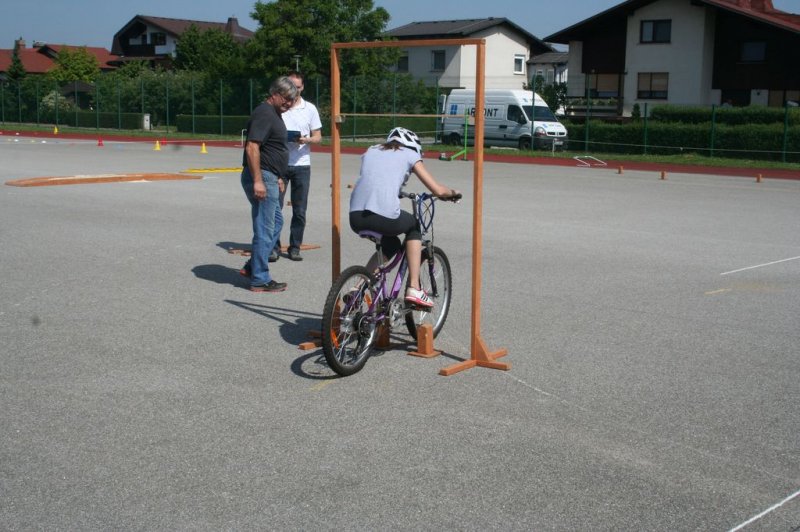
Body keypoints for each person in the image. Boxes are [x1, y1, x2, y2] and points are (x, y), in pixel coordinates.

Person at [349, 127, 460, 308]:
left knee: (391, 244)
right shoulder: (409, 154)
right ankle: (414, 287)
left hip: (356, 216)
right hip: (383, 216)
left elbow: (376, 179)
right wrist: (453, 193)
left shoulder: (371, 150)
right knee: (414, 226)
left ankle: (358, 289)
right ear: (413, 146)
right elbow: (438, 190)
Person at [240, 76, 298, 292]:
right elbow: (252, 148)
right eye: (286, 98)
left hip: (270, 176)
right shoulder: (265, 113)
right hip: (262, 176)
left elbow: (271, 148)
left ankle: (253, 266)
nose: (289, 103)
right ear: (274, 94)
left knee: (275, 222)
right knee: (265, 227)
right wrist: (258, 181)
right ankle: (260, 279)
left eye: (292, 100)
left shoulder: (273, 113)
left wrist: (279, 177)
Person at [273, 71, 323, 262]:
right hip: (280, 164)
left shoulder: (309, 108)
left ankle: (295, 247)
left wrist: (306, 139)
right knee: (275, 207)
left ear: (303, 88)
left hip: (302, 165)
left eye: (298, 87)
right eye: (291, 86)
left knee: (300, 210)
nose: (294, 91)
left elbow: (318, 136)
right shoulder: (280, 107)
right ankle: (274, 247)